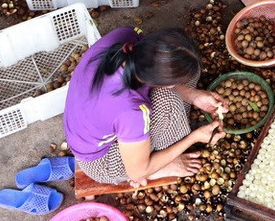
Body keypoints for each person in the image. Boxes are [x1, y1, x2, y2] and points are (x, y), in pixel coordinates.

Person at [63, 26, 226, 187]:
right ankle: (156, 167)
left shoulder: (125, 36)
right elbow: (137, 172)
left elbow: (156, 72)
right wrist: (194, 137)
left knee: (191, 70)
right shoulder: (131, 112)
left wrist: (194, 95)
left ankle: (149, 157)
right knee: (170, 102)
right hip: (100, 162)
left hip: (89, 124)